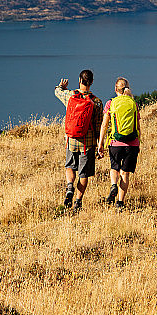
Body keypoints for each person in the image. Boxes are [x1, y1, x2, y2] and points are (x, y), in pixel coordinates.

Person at [55, 69, 103, 211]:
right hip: (87, 144)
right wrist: (100, 145)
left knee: (70, 166)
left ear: (79, 80)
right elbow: (99, 125)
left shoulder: (70, 96)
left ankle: (70, 187)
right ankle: (78, 202)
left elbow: (57, 92)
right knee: (84, 174)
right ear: (92, 82)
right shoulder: (96, 102)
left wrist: (61, 86)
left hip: (71, 140)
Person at [97, 77, 140, 211]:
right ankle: (120, 203)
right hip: (132, 144)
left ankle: (113, 185)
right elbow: (138, 125)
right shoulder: (134, 103)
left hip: (115, 143)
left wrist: (100, 144)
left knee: (114, 168)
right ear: (127, 88)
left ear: (116, 89)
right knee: (125, 173)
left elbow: (104, 125)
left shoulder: (111, 103)